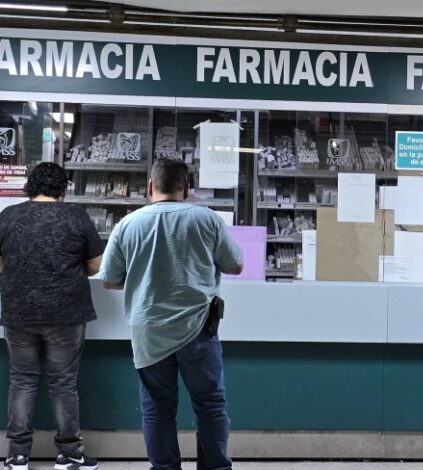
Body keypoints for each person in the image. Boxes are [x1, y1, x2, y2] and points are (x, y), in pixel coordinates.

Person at [101, 158, 243, 470]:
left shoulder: (128, 223)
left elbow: (110, 279)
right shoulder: (207, 219)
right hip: (198, 331)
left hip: (149, 332)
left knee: (157, 407)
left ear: (150, 187)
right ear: (186, 188)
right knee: (210, 405)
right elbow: (236, 265)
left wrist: (142, 276)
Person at [0, 162, 102, 470]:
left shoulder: (8, 216)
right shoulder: (76, 216)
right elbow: (96, 266)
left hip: (18, 312)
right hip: (65, 313)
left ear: (31, 185)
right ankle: (70, 454)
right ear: (62, 187)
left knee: (22, 381)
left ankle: (18, 456)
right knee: (63, 383)